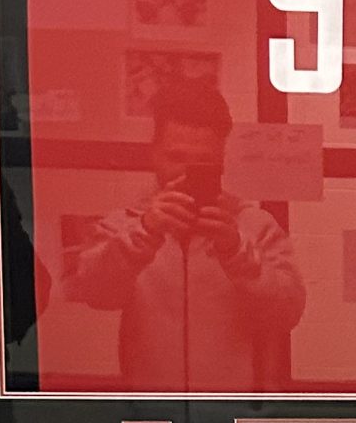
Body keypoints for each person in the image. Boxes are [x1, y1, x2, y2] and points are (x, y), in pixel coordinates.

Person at [57, 78, 305, 392]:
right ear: (154, 154)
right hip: (151, 421)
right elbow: (93, 293)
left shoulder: (255, 227)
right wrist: (144, 233)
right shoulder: (124, 226)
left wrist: (237, 254)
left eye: (203, 162)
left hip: (234, 419)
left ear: (221, 160)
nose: (186, 173)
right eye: (176, 157)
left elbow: (287, 315)